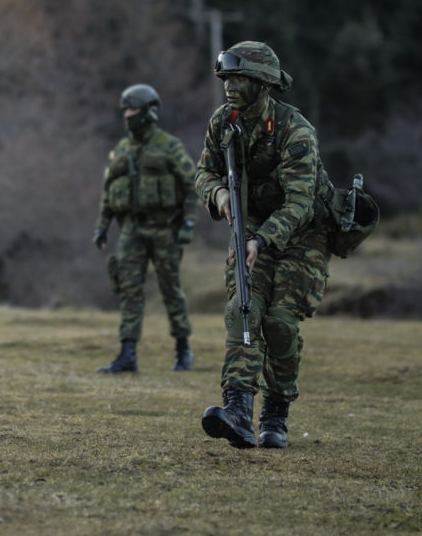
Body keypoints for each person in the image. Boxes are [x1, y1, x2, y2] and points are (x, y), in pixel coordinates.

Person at [194, 40, 331, 449]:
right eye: (226, 78)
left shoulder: (295, 129)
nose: (230, 86)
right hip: (249, 230)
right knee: (243, 309)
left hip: (302, 235)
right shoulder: (223, 122)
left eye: (239, 78)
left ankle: (276, 412)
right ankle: (237, 410)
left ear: (263, 83)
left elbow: (301, 202)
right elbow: (204, 172)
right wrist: (218, 196)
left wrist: (261, 239)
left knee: (279, 323)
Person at [93, 84, 198, 374]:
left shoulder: (169, 146)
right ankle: (127, 356)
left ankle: (183, 350)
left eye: (133, 110)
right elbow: (109, 192)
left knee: (170, 290)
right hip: (131, 230)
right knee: (129, 291)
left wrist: (187, 224)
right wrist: (102, 228)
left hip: (165, 229)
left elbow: (193, 186)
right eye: (125, 110)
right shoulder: (122, 150)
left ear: (149, 112)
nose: (127, 115)